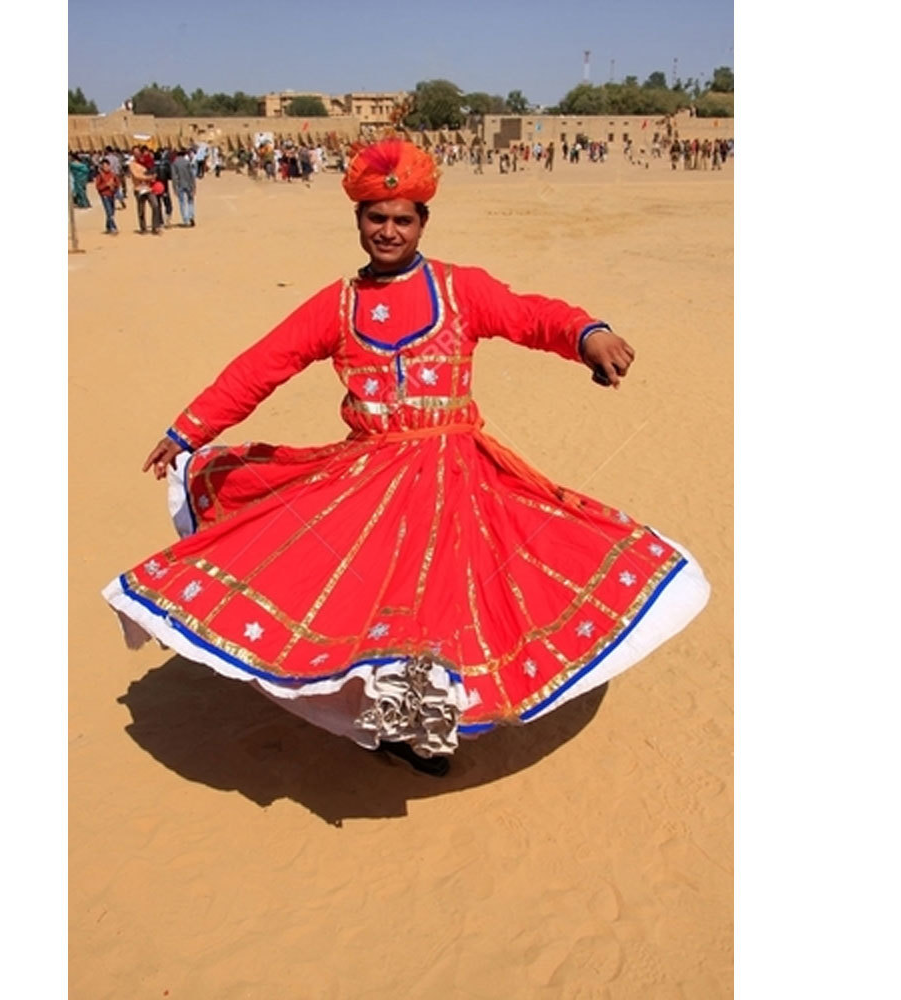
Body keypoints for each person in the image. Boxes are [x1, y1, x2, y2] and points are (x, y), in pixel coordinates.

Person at [103, 137, 710, 777]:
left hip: (456, 475)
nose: (388, 230)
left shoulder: (460, 288)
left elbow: (531, 315)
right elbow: (262, 367)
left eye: (402, 219)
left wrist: (588, 334)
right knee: (377, 607)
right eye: (376, 217)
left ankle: (430, 727)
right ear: (358, 221)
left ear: (423, 222)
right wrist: (189, 429)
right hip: (368, 480)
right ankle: (398, 726)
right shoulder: (335, 305)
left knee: (447, 602)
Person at [129, 147, 161, 234]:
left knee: (155, 205)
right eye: (135, 152)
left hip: (149, 188)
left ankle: (155, 227)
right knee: (141, 210)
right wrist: (148, 177)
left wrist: (154, 176)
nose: (137, 154)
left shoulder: (146, 162)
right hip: (139, 189)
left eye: (138, 152)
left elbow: (153, 170)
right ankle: (143, 228)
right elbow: (136, 176)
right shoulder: (132, 164)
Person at [94, 157, 121, 234]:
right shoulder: (100, 176)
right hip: (104, 195)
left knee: (112, 211)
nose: (106, 168)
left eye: (107, 166)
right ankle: (113, 227)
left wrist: (114, 185)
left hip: (112, 194)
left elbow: (118, 183)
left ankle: (108, 226)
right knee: (109, 211)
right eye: (104, 166)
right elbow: (98, 187)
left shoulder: (113, 174)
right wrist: (106, 185)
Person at [171, 147, 197, 227]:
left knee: (182, 202)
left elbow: (174, 177)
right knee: (190, 201)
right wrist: (194, 186)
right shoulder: (187, 162)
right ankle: (191, 215)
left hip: (180, 185)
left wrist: (174, 188)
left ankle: (185, 219)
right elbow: (192, 175)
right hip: (189, 184)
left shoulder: (174, 163)